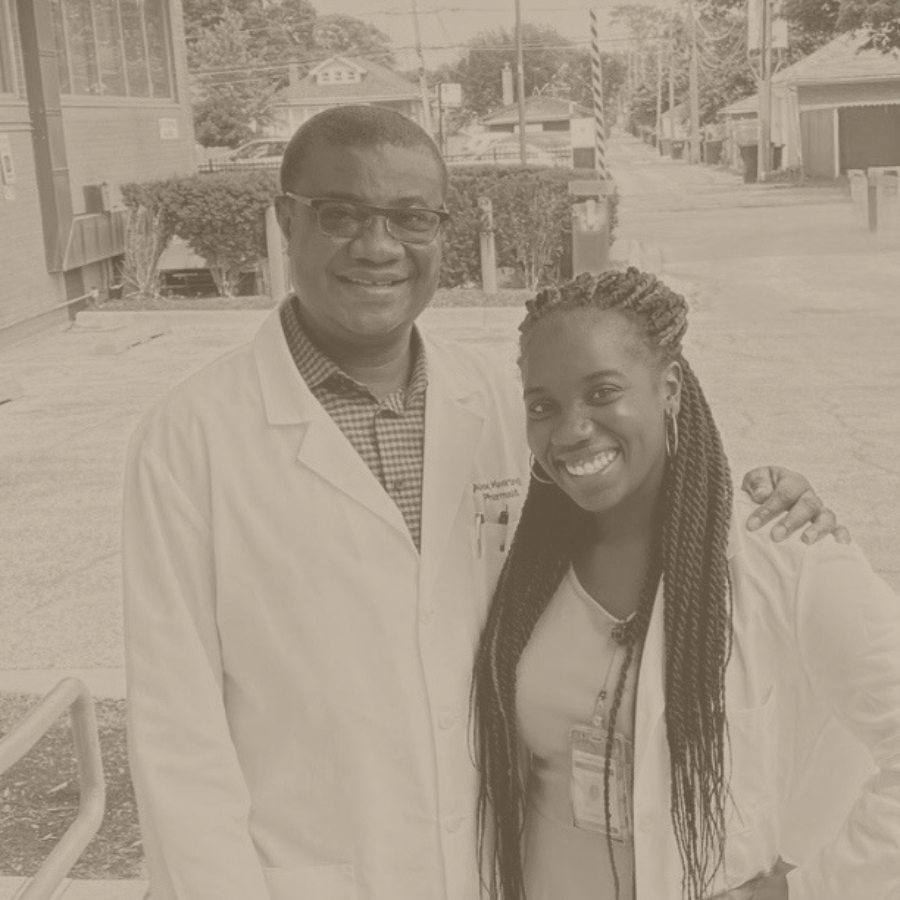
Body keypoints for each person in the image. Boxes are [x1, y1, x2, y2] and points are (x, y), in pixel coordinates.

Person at [122, 107, 845, 900]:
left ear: (443, 230)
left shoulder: (509, 406)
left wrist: (777, 510)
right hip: (303, 873)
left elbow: (646, 509)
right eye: (341, 216)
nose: (379, 246)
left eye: (411, 218)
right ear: (286, 221)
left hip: (500, 870)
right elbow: (175, 727)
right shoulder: (190, 438)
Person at [472, 268, 899, 900]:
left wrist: (806, 892)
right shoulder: (522, 563)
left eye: (602, 392)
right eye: (545, 406)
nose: (570, 431)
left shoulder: (778, 556)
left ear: (668, 386)